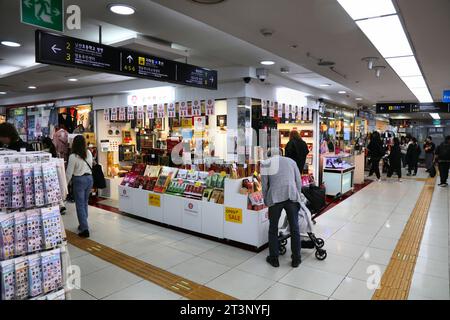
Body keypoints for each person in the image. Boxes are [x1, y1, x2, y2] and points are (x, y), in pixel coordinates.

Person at [261, 148, 302, 268]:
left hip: (275, 197)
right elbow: (298, 181)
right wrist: (298, 195)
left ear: (269, 155)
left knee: (273, 228)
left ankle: (274, 259)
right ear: (280, 153)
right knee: (295, 228)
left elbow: (264, 184)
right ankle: (296, 259)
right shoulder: (291, 161)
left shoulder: (266, 163)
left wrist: (265, 199)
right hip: (291, 195)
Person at [66, 135, 93, 238]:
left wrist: (64, 186)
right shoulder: (88, 153)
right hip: (89, 179)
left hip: (79, 181)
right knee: (85, 203)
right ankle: (83, 224)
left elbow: (69, 173)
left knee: (80, 205)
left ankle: (85, 229)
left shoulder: (73, 156)